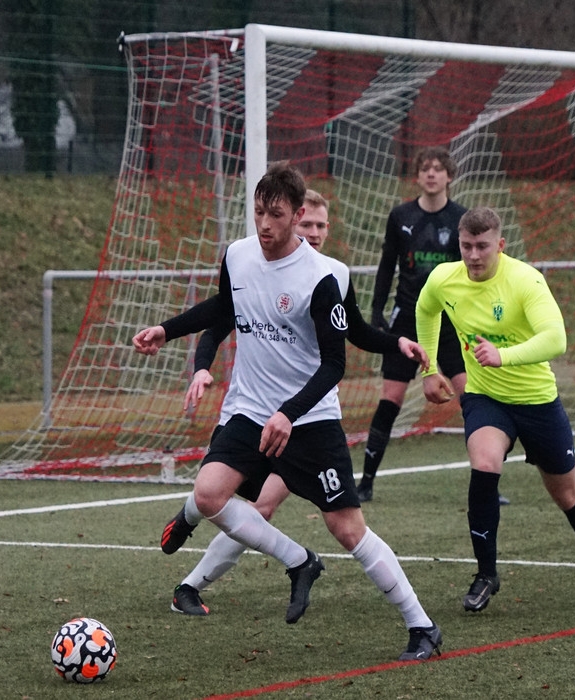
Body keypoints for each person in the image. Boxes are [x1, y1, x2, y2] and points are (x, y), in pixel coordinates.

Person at [132, 163, 442, 660]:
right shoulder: (237, 255)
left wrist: (291, 412)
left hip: (309, 418)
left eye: (275, 215)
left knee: (347, 528)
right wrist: (167, 331)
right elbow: (223, 309)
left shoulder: (323, 278)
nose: (264, 224)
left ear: (297, 216)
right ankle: (299, 561)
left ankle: (421, 626)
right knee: (209, 494)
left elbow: (337, 359)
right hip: (250, 410)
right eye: (259, 212)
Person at [415, 206, 575, 612]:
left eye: (482, 246)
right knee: (484, 463)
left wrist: (503, 355)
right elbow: (426, 310)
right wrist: (430, 368)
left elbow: (556, 339)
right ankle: (485, 574)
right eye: (466, 246)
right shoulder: (443, 278)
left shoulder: (525, 280)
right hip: (485, 397)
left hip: (536, 401)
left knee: (567, 493)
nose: (473, 255)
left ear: (501, 245)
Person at [358, 147, 470, 503]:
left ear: (449, 175)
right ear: (418, 176)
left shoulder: (461, 219)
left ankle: (487, 482)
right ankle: (366, 482)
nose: (431, 174)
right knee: (390, 399)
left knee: (472, 399)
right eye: (425, 168)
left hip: (450, 323)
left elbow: (471, 271)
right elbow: (386, 264)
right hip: (406, 321)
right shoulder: (401, 216)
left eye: (438, 168)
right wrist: (377, 310)